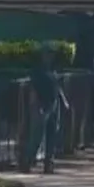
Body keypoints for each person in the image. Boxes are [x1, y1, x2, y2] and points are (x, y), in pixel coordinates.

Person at [23, 45, 62, 174]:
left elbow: (57, 87)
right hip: (41, 104)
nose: (50, 56)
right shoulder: (37, 70)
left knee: (52, 134)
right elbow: (33, 88)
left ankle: (48, 163)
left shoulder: (53, 69)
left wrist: (63, 102)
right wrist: (35, 104)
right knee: (37, 135)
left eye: (52, 54)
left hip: (53, 104)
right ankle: (28, 161)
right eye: (48, 54)